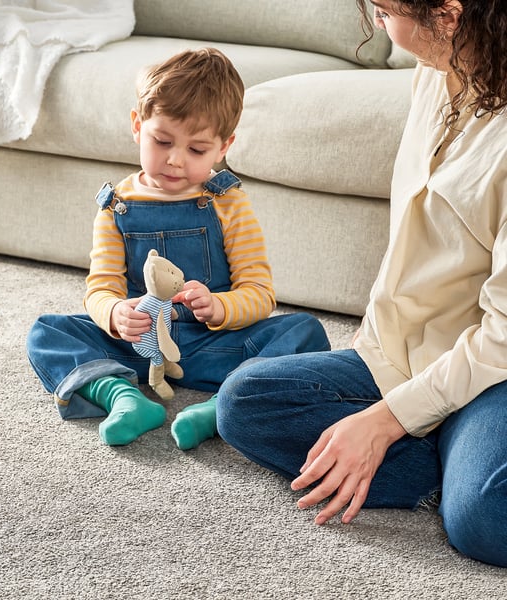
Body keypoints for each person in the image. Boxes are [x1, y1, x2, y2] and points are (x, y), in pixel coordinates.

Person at [216, 0, 507, 568]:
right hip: (408, 357)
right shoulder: (439, 72)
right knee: (244, 401)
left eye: (383, 9)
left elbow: (503, 341)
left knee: (484, 518)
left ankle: (455, 457)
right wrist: (397, 402)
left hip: (493, 374)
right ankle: (450, 451)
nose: (376, 23)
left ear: (448, 14)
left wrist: (387, 421)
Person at [26, 47, 329, 450]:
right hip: (138, 346)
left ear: (224, 146)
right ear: (137, 126)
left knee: (303, 331)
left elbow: (259, 294)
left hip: (212, 346)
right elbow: (100, 288)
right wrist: (115, 315)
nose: (174, 160)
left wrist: (220, 307)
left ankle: (222, 406)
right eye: (162, 140)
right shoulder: (116, 206)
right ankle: (123, 397)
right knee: (48, 331)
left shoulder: (228, 202)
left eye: (197, 150)